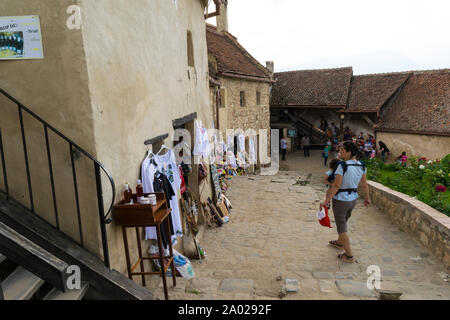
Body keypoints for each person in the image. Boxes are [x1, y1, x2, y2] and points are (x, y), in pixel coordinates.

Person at [321, 141, 371, 263]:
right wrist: (367, 198)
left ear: (349, 152)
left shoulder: (342, 165)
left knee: (342, 227)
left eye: (342, 150)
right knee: (343, 222)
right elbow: (364, 184)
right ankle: (339, 243)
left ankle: (349, 255)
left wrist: (326, 200)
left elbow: (337, 185)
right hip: (353, 200)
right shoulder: (362, 165)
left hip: (341, 200)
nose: (340, 152)